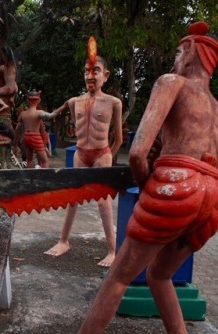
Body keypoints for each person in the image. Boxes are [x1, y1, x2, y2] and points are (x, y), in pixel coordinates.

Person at [79, 21, 217, 334]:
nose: (175, 60)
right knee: (159, 274)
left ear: (193, 54)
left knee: (119, 276)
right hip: (213, 199)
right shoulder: (216, 106)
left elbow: (139, 151)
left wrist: (147, 189)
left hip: (178, 184)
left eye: (180, 53)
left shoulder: (172, 83)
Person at [44, 39, 123, 267]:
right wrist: (39, 114)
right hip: (80, 153)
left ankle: (112, 250)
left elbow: (117, 138)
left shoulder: (113, 102)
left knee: (103, 202)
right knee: (72, 197)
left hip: (102, 153)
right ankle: (63, 241)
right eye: (87, 72)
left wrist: (108, 157)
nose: (90, 76)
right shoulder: (74, 102)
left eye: (95, 71)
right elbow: (51, 115)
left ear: (105, 75)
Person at [13, 90, 54, 168]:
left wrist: (15, 145)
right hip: (35, 137)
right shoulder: (38, 113)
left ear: (28, 100)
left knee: (31, 160)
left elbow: (17, 130)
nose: (17, 112)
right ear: (38, 100)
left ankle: (31, 177)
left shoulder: (24, 114)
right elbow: (43, 131)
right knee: (44, 161)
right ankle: (45, 178)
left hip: (26, 137)